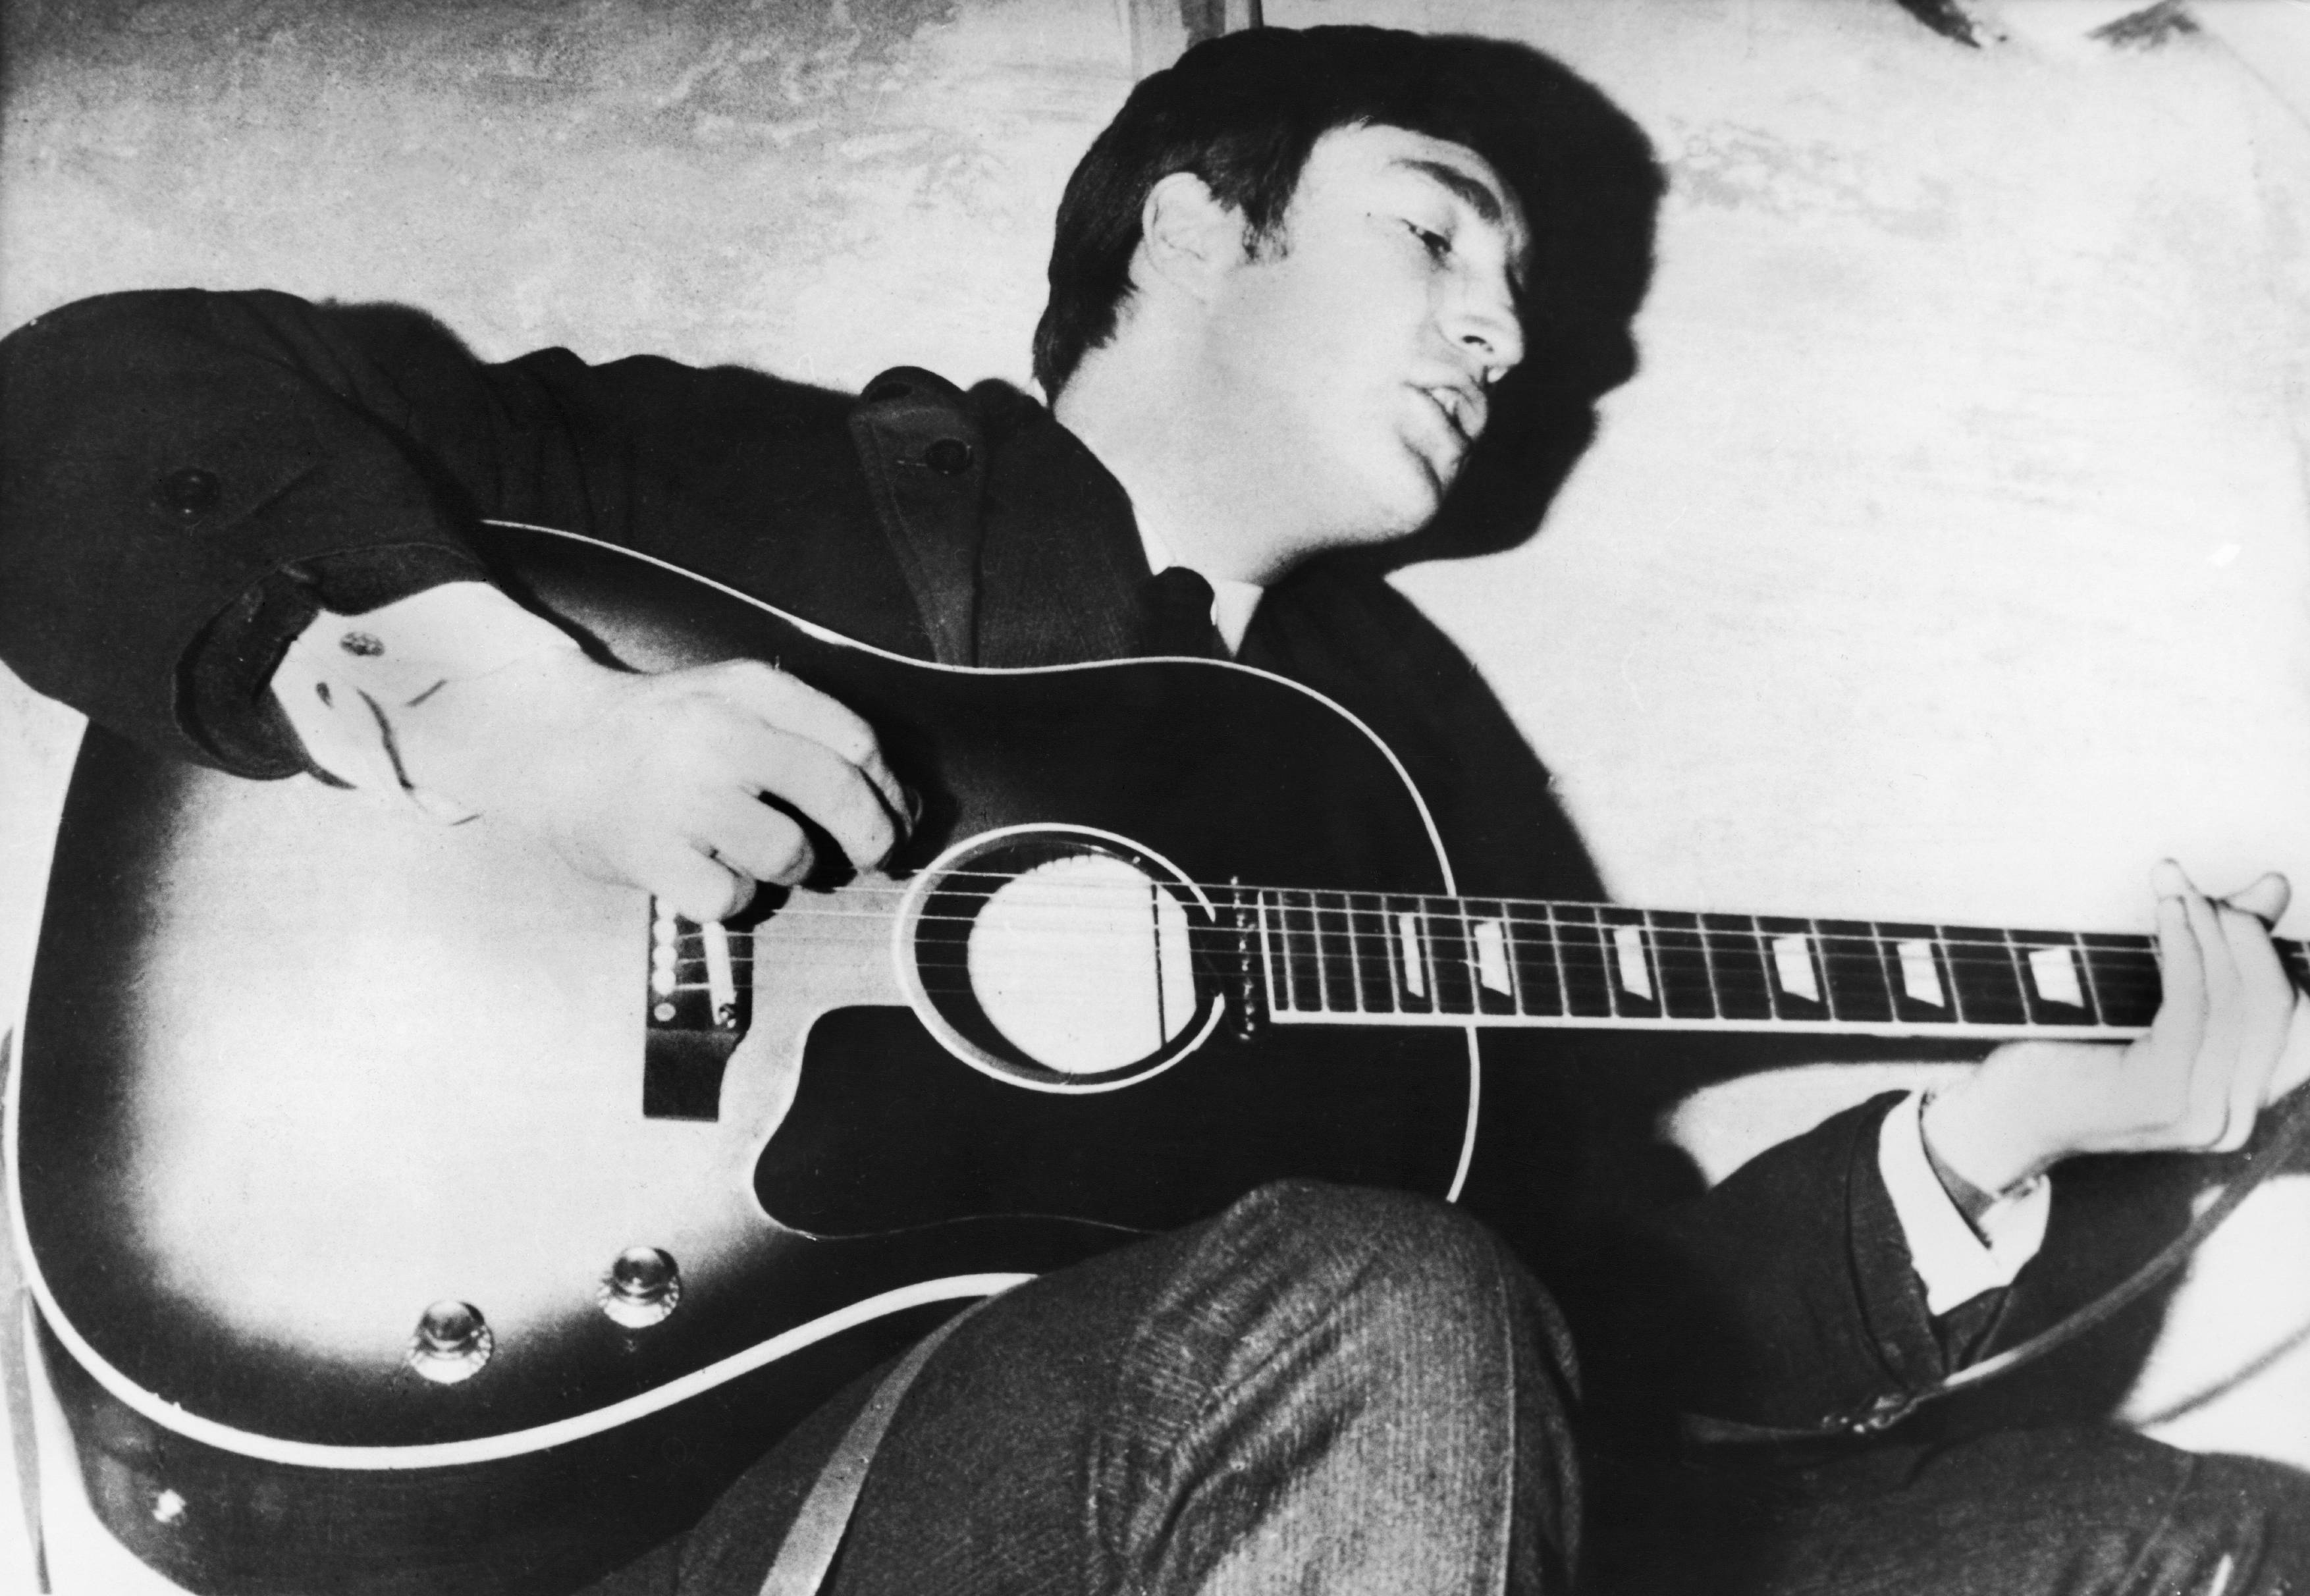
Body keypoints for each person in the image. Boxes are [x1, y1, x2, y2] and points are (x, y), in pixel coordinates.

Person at [3, 24, 2307, 1596]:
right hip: (700, 1513)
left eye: (1515, 293)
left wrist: (2003, 1132)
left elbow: (1604, 1345)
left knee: (2170, 1536)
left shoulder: (1401, 776)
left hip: (1283, 1436)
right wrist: (520, 718)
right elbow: (89, 402)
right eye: (1437, 237)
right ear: (1192, 231)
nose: (1507, 338)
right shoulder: (728, 487)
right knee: (1370, 1299)